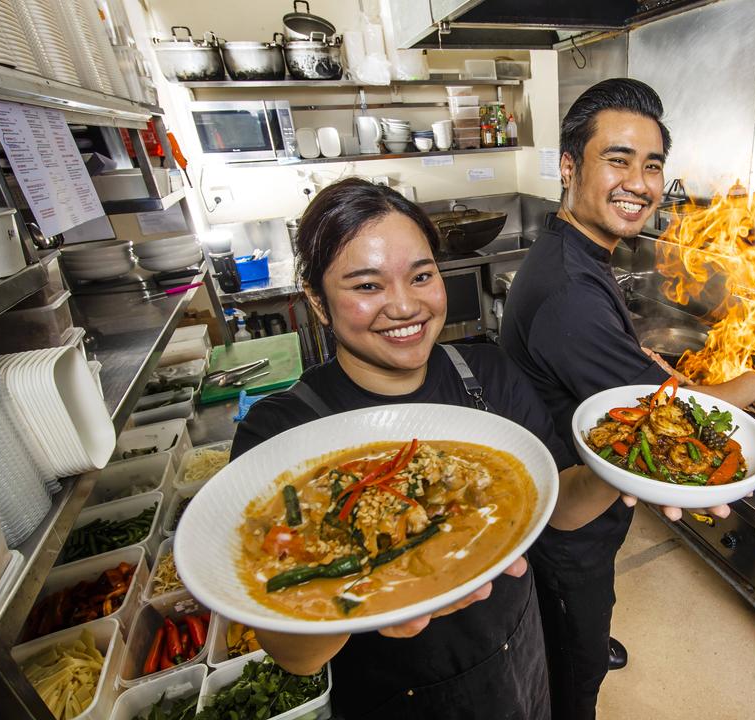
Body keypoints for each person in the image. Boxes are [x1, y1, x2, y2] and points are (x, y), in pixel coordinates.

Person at [230, 177, 574, 719]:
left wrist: (620, 471)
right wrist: (364, 598)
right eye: (367, 286)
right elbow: (293, 655)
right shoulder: (280, 433)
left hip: (519, 656)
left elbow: (561, 504)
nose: (404, 305)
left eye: (421, 275)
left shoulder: (486, 371)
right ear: (317, 303)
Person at [499, 78, 755, 719]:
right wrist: (749, 388)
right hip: (567, 518)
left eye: (651, 164)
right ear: (570, 167)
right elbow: (662, 409)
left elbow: (633, 376)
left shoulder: (574, 250)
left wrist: (645, 361)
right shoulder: (571, 290)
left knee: (580, 626)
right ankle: (583, 657)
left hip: (579, 494)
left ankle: (586, 637)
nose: (640, 181)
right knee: (576, 671)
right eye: (617, 159)